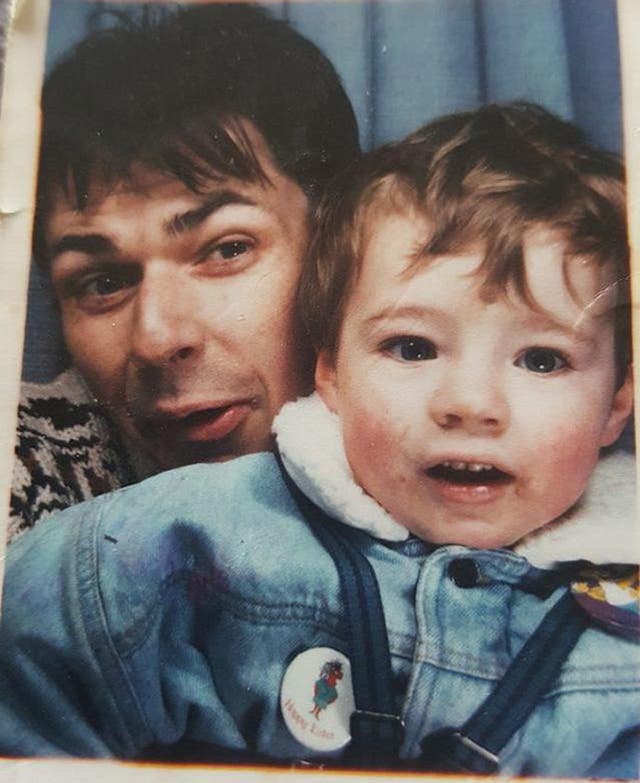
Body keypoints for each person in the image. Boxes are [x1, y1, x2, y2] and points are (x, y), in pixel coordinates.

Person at [0, 103, 637, 776]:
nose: (470, 404)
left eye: (541, 359)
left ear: (616, 403)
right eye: (413, 346)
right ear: (329, 369)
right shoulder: (185, 538)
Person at [10, 2, 359, 540]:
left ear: (339, 248)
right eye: (103, 284)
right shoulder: (28, 466)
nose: (157, 338)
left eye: (226, 251)